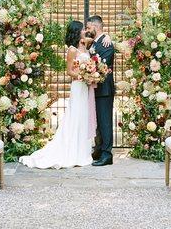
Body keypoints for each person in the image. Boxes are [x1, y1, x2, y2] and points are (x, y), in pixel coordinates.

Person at [19, 21, 94, 169]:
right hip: (78, 86)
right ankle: (72, 152)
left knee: (84, 117)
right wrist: (82, 76)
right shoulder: (72, 50)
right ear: (77, 31)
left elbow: (91, 56)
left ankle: (82, 152)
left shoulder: (84, 46)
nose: (85, 31)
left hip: (86, 88)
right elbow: (69, 71)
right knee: (76, 116)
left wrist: (91, 73)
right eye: (82, 29)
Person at [86, 15, 115, 166]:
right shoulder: (94, 43)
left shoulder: (106, 44)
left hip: (104, 90)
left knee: (105, 122)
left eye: (89, 27)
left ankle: (107, 154)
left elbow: (101, 66)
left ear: (96, 28)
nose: (87, 30)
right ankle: (98, 148)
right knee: (97, 122)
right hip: (95, 90)